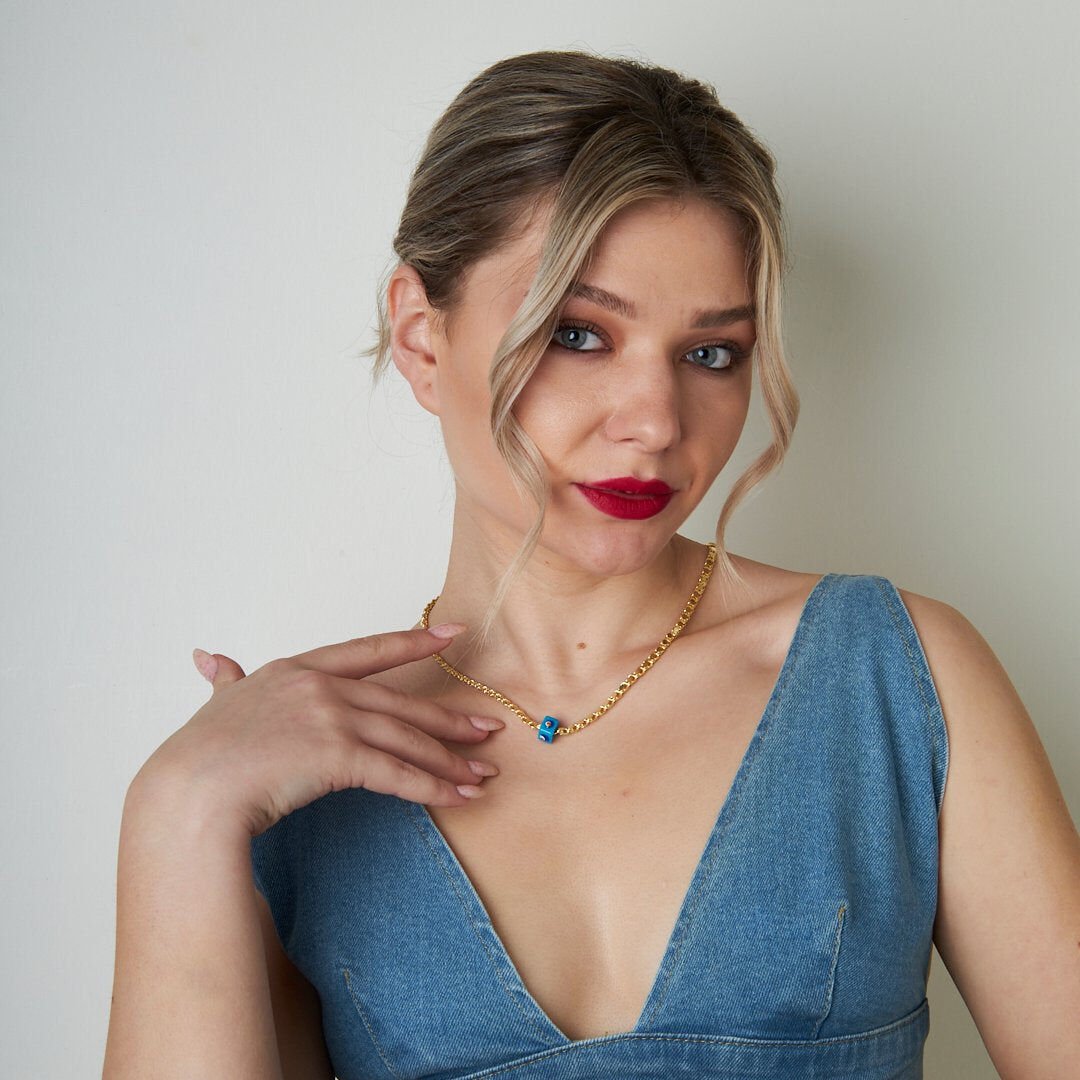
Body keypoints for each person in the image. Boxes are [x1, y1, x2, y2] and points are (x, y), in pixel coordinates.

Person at [102, 49, 1080, 1080]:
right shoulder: (294, 771)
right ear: (422, 339)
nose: (655, 422)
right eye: (578, 334)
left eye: (711, 353)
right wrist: (179, 807)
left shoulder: (897, 680)